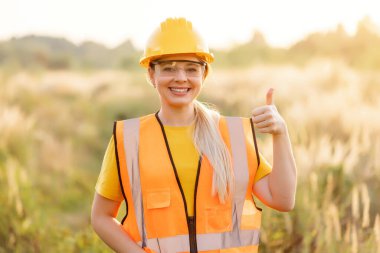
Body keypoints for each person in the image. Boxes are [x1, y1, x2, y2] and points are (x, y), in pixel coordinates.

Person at [91, 17, 297, 253]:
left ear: (204, 74)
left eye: (191, 69)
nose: (181, 78)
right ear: (151, 74)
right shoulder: (128, 139)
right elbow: (101, 217)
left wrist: (281, 133)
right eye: (169, 69)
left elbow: (283, 199)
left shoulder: (234, 137)